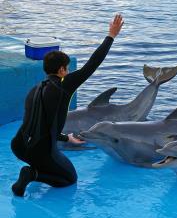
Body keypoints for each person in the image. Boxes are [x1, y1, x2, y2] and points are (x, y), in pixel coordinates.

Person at [10, 14, 124, 197]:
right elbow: (92, 64)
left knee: (44, 156)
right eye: (67, 68)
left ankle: (35, 166)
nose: (69, 71)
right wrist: (111, 36)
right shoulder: (64, 85)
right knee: (69, 178)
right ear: (62, 70)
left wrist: (66, 138)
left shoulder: (35, 89)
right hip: (41, 150)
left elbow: (36, 124)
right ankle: (33, 173)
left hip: (18, 146)